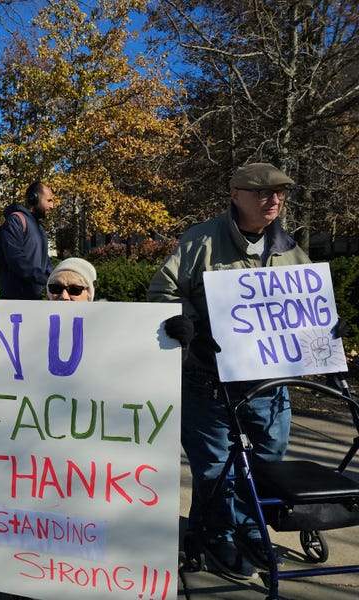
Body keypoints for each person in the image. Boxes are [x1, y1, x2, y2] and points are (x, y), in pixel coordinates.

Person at [148, 163, 310, 579]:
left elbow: (306, 305)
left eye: (279, 193)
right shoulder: (201, 240)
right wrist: (190, 326)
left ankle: (250, 526)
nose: (273, 200)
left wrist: (325, 327)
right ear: (235, 194)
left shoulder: (289, 248)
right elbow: (163, 290)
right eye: (262, 193)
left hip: (270, 386)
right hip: (209, 381)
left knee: (266, 462)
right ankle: (217, 534)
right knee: (215, 468)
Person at [0, 181, 55, 299]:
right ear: (33, 198)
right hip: (14, 300)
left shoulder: (39, 227)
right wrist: (44, 279)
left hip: (34, 297)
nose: (52, 206)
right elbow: (16, 259)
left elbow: (45, 261)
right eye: (49, 200)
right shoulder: (16, 221)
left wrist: (56, 278)